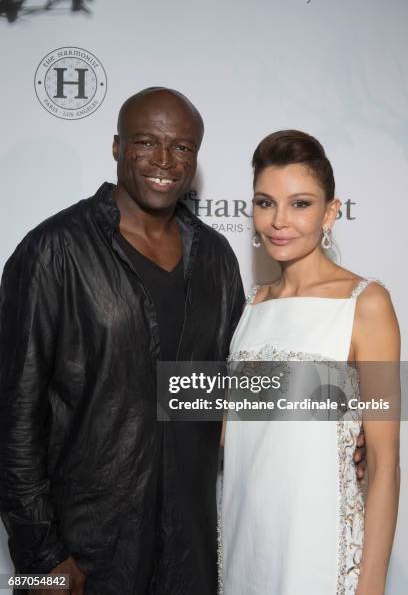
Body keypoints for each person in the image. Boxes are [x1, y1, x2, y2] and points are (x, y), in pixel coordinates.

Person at [0, 87, 245, 595]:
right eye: (145, 142)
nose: (164, 161)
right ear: (116, 147)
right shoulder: (53, 250)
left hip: (189, 549)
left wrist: (349, 413)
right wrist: (40, 555)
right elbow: (14, 415)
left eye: (182, 147)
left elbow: (233, 390)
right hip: (86, 553)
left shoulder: (217, 257)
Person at [221, 130, 400, 594]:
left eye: (300, 204)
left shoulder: (366, 303)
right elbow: (230, 433)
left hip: (321, 555)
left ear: (331, 212)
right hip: (245, 547)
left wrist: (371, 584)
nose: (279, 221)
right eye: (265, 202)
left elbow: (382, 462)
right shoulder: (251, 306)